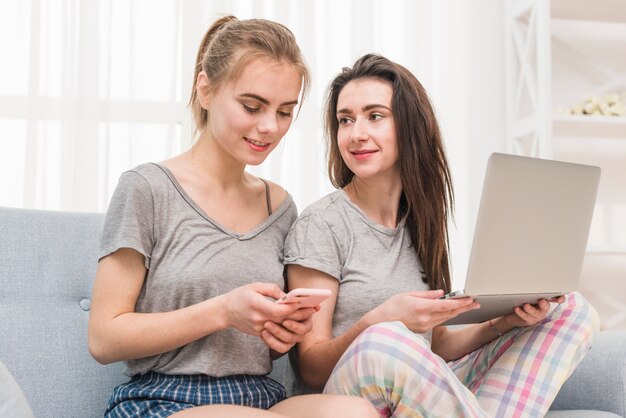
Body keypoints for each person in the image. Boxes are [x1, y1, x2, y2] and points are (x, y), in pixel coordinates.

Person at [87, 16, 377, 418]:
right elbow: (103, 337)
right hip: (164, 399)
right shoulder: (147, 188)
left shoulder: (279, 206)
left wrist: (282, 331)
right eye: (252, 106)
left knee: (355, 412)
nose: (268, 127)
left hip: (259, 397)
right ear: (205, 89)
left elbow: (273, 346)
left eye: (284, 111)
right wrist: (223, 311)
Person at [284, 53, 600, 417]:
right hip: (347, 394)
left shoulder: (420, 221)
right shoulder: (322, 224)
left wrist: (501, 324)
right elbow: (309, 367)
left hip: (418, 388)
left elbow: (437, 343)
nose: (356, 134)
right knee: (386, 340)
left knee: (572, 309)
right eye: (345, 120)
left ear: (409, 125)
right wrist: (382, 320)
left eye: (375, 116)